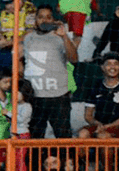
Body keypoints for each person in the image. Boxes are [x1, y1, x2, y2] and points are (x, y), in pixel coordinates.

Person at [23, 4, 77, 139]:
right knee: (35, 138)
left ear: (53, 19)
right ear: (35, 19)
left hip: (58, 96)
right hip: (34, 96)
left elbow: (74, 59)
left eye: (48, 17)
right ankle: (36, 161)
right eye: (41, 17)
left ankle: (66, 160)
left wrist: (64, 36)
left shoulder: (60, 37)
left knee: (63, 136)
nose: (44, 20)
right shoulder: (28, 38)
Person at [78, 52, 119, 138]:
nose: (112, 67)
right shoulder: (95, 86)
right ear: (102, 67)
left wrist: (108, 126)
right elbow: (88, 115)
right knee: (82, 134)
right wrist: (98, 124)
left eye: (116, 64)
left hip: (118, 127)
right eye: (108, 64)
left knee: (103, 136)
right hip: (98, 125)